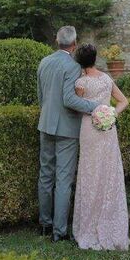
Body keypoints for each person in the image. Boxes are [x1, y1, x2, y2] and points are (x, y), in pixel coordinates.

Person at [36, 25, 98, 242]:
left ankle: (45, 224)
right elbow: (69, 99)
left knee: (45, 175)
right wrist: (95, 106)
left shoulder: (44, 62)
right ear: (74, 44)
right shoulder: (73, 65)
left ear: (56, 40)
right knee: (63, 179)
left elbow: (41, 97)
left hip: (45, 125)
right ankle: (59, 232)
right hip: (67, 129)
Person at [71, 43, 130, 250]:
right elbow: (124, 101)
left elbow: (77, 108)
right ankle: (110, 222)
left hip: (89, 130)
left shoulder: (80, 83)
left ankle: (90, 225)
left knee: (91, 174)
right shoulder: (106, 78)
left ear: (79, 61)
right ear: (95, 58)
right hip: (107, 130)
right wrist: (111, 113)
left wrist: (99, 113)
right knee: (108, 174)